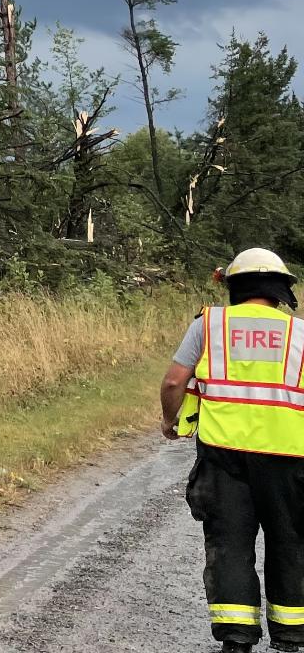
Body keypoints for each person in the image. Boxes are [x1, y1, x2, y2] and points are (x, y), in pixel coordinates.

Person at [163, 248, 304, 653]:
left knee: (229, 543)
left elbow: (175, 383)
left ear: (233, 287)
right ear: (280, 291)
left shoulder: (210, 325)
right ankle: (292, 636)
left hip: (225, 457)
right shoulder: (299, 333)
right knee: (291, 541)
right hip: (290, 458)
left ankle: (237, 638)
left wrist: (169, 421)